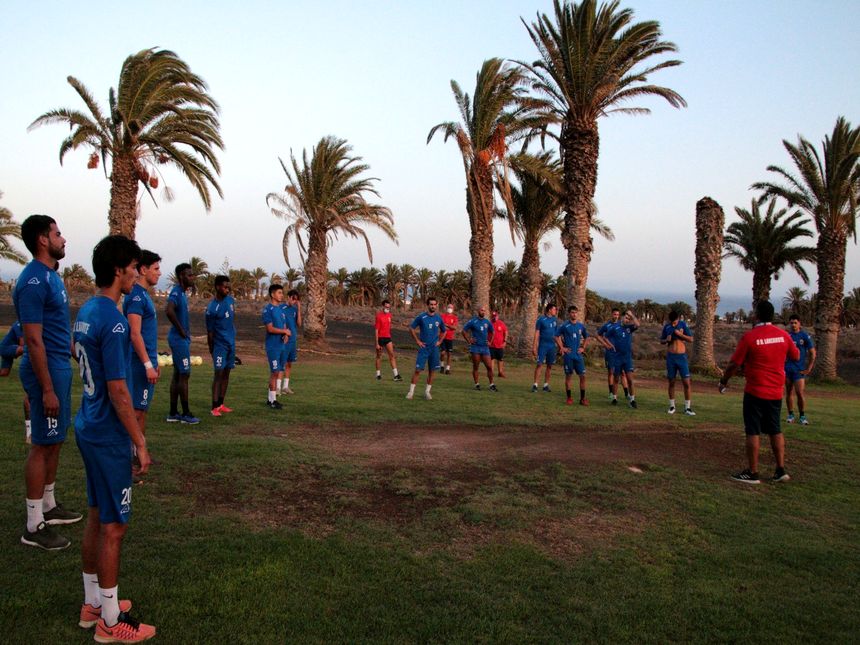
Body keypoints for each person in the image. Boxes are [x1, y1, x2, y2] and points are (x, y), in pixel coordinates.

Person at [74, 235, 155, 641]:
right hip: (107, 434)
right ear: (120, 269)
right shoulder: (115, 318)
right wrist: (139, 441)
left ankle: (95, 603)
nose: (138, 275)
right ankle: (109, 622)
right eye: (135, 268)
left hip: (87, 424)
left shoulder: (87, 310)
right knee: (114, 526)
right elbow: (119, 391)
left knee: (95, 514)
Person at [14, 214, 81, 551]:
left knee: (54, 440)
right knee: (42, 443)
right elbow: (34, 340)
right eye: (57, 233)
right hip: (45, 372)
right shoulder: (32, 281)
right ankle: (33, 524)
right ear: (43, 239)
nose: (63, 238)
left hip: (58, 366)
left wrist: (77, 356)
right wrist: (47, 388)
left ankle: (50, 506)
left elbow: (58, 331)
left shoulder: (53, 277)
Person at [719, 300, 799, 484]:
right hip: (775, 392)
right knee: (775, 430)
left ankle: (753, 472)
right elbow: (795, 355)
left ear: (756, 315)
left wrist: (724, 381)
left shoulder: (750, 337)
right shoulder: (784, 336)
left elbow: (734, 364)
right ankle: (780, 470)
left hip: (755, 391)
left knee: (753, 431)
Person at [122, 250, 161, 444]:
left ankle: (138, 453)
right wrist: (147, 365)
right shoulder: (136, 297)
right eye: (156, 268)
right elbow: (134, 333)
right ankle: (131, 457)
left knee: (141, 411)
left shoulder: (143, 296)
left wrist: (154, 361)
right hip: (138, 364)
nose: (159, 273)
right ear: (143, 270)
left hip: (146, 361)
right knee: (136, 411)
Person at [165, 263, 198, 424]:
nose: (192, 277)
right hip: (178, 340)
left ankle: (173, 412)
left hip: (180, 339)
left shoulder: (183, 293)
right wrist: (181, 330)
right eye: (189, 275)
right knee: (184, 374)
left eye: (193, 275)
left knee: (178, 374)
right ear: (181, 277)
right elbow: (169, 310)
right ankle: (186, 413)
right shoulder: (177, 293)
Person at [205, 275, 236, 417]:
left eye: (228, 286)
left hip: (231, 344)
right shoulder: (212, 308)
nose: (227, 289)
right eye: (225, 286)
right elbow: (210, 332)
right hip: (219, 345)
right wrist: (212, 349)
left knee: (226, 373)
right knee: (218, 374)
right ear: (217, 287)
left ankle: (221, 404)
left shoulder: (230, 301)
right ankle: (214, 406)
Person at [407, 297, 445, 400]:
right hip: (424, 348)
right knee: (418, 370)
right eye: (431, 304)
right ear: (427, 305)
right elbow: (411, 328)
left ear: (436, 305)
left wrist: (440, 341)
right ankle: (411, 392)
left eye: (434, 304)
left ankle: (427, 392)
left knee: (432, 371)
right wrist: (417, 341)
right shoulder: (421, 317)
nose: (433, 306)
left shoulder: (438, 318)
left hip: (434, 349)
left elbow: (444, 330)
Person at [600, 309, 640, 408]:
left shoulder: (629, 328)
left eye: (628, 318)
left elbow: (638, 325)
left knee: (630, 379)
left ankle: (632, 400)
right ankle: (614, 397)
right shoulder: (615, 328)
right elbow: (605, 337)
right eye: (626, 317)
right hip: (617, 357)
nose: (627, 320)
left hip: (627, 358)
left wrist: (632, 315)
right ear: (621, 317)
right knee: (616, 379)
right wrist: (610, 345)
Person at [0, 320, 31, 443]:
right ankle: (30, 432)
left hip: (8, 348)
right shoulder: (20, 324)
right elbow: (24, 344)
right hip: (6, 348)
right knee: (26, 348)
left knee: (4, 372)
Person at [660, 310, 695, 415]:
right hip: (671, 357)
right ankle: (672, 406)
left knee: (686, 382)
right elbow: (661, 341)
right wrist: (666, 340)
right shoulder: (667, 327)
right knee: (671, 382)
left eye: (675, 322)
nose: (674, 324)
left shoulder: (683, 324)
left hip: (682, 357)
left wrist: (680, 334)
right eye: (672, 322)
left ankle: (687, 408)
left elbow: (691, 339)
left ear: (678, 319)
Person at [784, 314, 816, 425]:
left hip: (799, 370)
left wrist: (809, 368)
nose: (793, 325)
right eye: (791, 323)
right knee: (788, 392)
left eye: (795, 322)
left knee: (799, 393)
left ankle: (802, 416)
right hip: (787, 369)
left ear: (799, 323)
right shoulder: (787, 336)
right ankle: (790, 415)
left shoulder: (804, 336)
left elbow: (812, 353)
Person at [262, 284, 289, 409]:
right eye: (279, 292)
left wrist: (286, 334)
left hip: (281, 346)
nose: (281, 295)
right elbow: (270, 328)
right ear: (272, 294)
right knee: (274, 372)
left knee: (278, 371)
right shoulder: (268, 310)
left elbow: (283, 327)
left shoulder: (281, 310)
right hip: (272, 346)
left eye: (282, 293)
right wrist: (284, 332)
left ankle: (271, 399)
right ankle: (271, 400)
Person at [555, 305, 590, 406]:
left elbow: (587, 337)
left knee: (583, 377)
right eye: (572, 312)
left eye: (576, 312)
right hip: (569, 355)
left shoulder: (580, 326)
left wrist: (583, 347)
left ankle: (582, 399)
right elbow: (556, 336)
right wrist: (562, 348)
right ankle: (569, 398)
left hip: (578, 356)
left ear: (578, 313)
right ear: (569, 314)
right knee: (568, 377)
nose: (574, 314)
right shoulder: (564, 326)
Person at [597, 308, 630, 402]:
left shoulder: (621, 325)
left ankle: (626, 393)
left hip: (620, 353)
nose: (616, 316)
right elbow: (598, 335)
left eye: (617, 314)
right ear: (611, 314)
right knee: (611, 372)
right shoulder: (607, 325)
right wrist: (605, 345)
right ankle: (611, 393)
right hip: (611, 353)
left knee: (622, 373)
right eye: (614, 314)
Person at [462, 305, 497, 391]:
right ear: (478, 311)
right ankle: (476, 384)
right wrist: (469, 340)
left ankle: (491, 384)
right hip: (475, 348)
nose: (483, 312)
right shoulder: (473, 321)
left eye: (484, 311)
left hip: (485, 348)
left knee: (489, 367)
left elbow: (493, 332)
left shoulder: (487, 322)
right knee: (476, 366)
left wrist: (490, 342)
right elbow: (463, 331)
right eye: (482, 310)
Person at [532, 304, 559, 392]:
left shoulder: (555, 320)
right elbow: (536, 334)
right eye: (554, 309)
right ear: (549, 310)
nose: (555, 311)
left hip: (552, 347)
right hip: (543, 346)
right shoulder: (541, 320)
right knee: (539, 364)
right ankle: (535, 385)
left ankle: (546, 385)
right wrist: (534, 347)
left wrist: (560, 346)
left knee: (549, 365)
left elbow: (556, 335)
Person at [279, 288, 302, 395]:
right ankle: (278, 387)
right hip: (284, 340)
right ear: (288, 297)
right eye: (293, 298)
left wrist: (299, 309)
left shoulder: (294, 309)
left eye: (296, 299)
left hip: (293, 340)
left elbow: (299, 324)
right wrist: (283, 333)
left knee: (289, 363)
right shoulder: (281, 308)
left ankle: (285, 386)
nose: (294, 301)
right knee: (281, 363)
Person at [374, 299, 402, 381]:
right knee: (379, 356)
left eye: (389, 307)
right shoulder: (378, 316)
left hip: (388, 338)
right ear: (383, 306)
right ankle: (378, 374)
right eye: (386, 306)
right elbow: (376, 330)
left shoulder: (390, 315)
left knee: (392, 355)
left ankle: (396, 375)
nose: (387, 308)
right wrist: (377, 343)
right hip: (380, 338)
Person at [489, 310, 508, 378]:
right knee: (492, 359)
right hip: (491, 345)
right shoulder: (489, 323)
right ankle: (491, 372)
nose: (494, 318)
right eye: (493, 316)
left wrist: (505, 341)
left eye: (495, 316)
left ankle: (500, 372)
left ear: (498, 316)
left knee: (500, 359)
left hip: (500, 345)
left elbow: (505, 332)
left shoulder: (501, 323)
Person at [440, 304, 458, 374]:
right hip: (442, 337)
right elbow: (441, 325)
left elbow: (455, 327)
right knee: (442, 353)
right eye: (448, 307)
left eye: (451, 307)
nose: (449, 308)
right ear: (446, 308)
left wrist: (447, 325)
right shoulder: (442, 316)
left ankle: (447, 369)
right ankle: (442, 366)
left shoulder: (454, 317)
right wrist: (450, 327)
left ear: (453, 309)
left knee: (449, 354)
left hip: (450, 338)